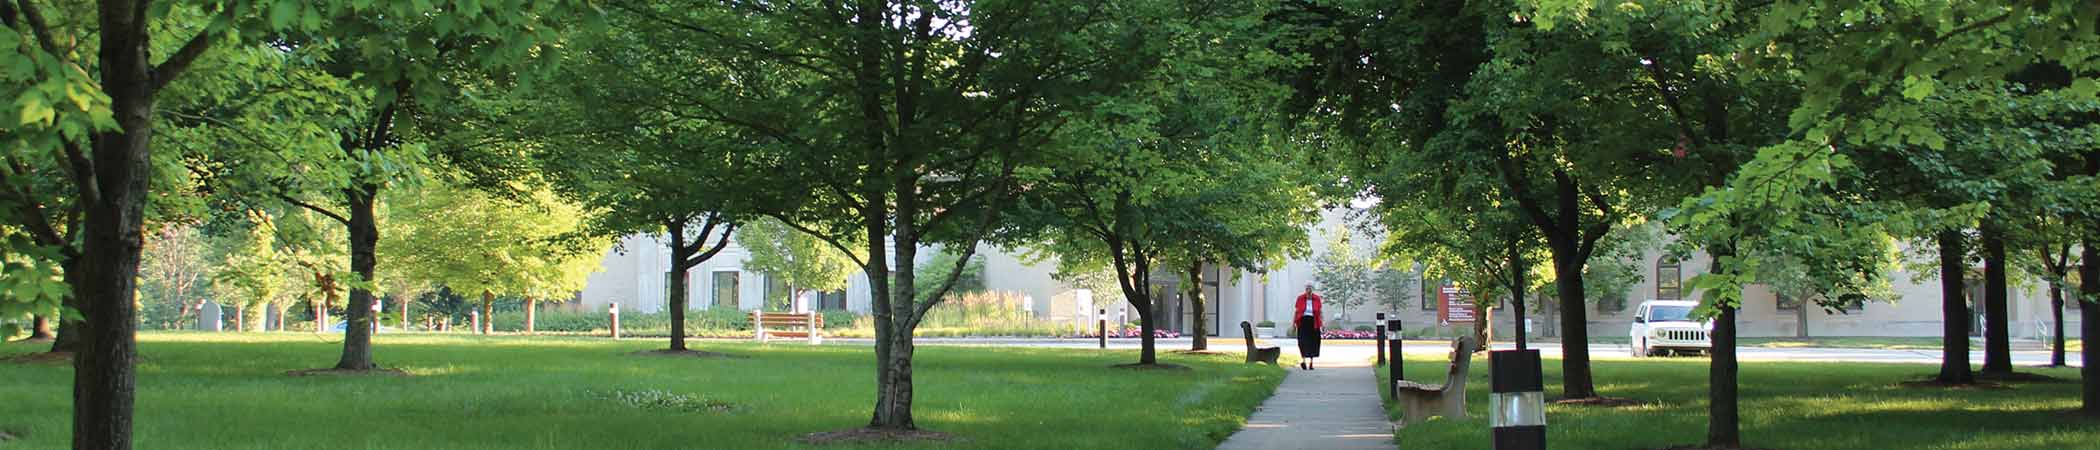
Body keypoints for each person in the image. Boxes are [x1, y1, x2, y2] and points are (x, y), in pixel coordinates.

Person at [1292, 283, 1323, 370]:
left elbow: (1320, 312)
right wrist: (1293, 324)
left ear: (1312, 289)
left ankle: (1311, 363)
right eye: (1307, 288)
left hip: (1313, 322)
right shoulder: (1300, 298)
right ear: (1305, 289)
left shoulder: (1317, 299)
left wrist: (1322, 324)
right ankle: (1304, 361)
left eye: (1310, 288)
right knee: (1302, 341)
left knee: (1313, 342)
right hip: (1303, 322)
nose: (1308, 290)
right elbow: (1296, 312)